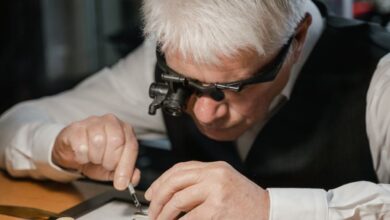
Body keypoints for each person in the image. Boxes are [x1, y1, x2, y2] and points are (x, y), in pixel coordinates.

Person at [0, 0, 389, 219]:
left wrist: (270, 210)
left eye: (232, 87)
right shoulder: (177, 53)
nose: (203, 113)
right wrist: (62, 147)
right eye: (185, 82)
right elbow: (13, 126)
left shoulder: (379, 81)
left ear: (297, 38)